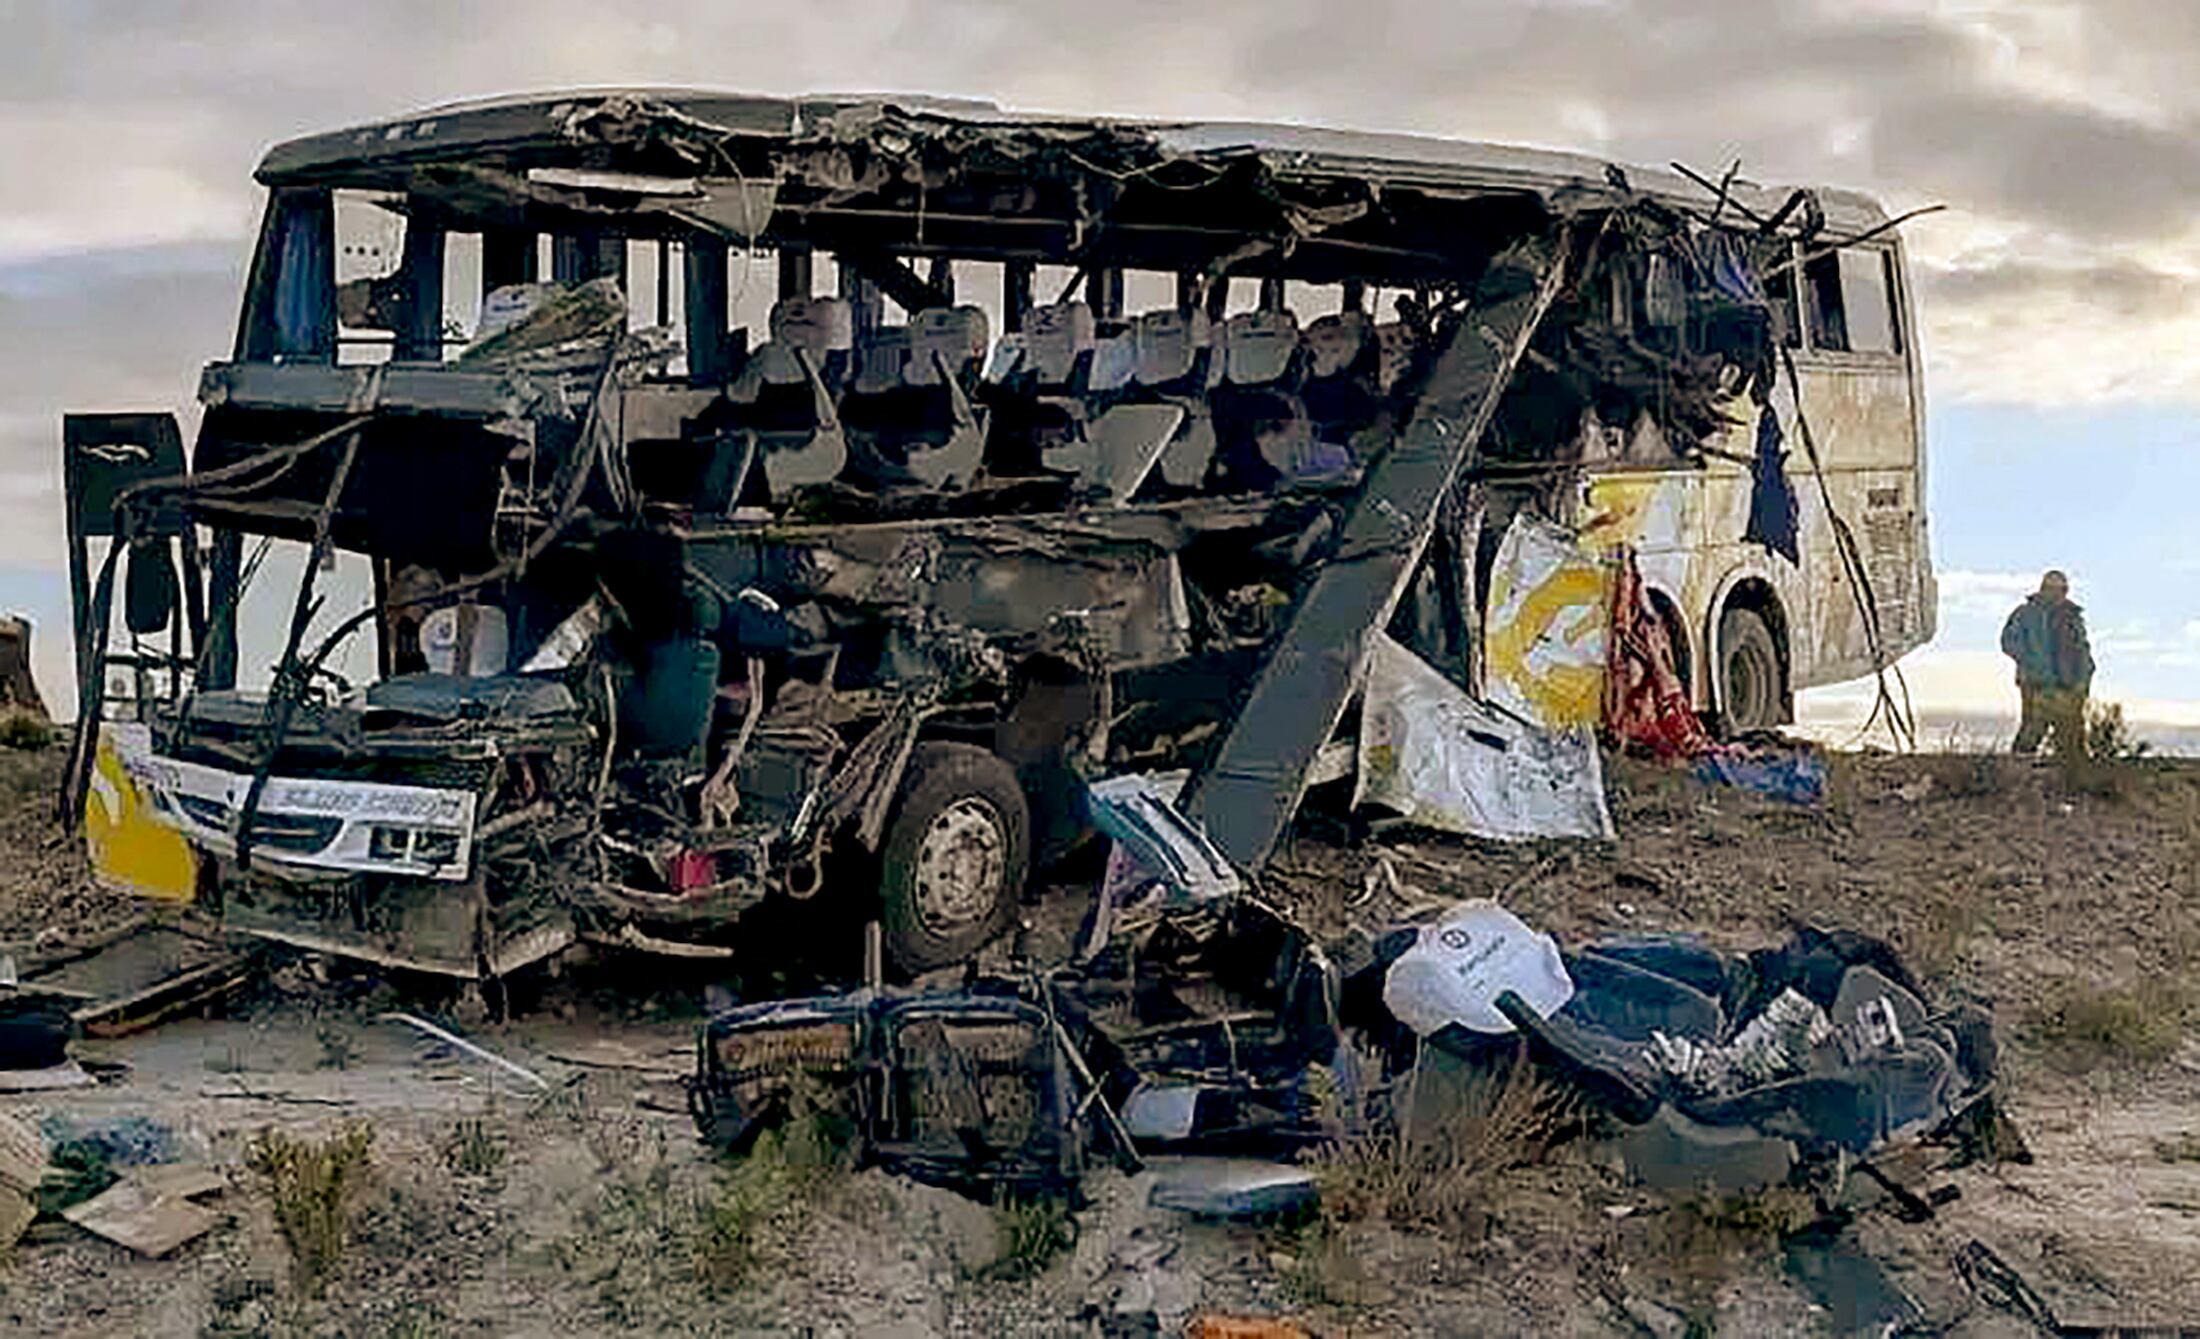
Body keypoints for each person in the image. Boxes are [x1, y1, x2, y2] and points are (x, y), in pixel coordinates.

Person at [2000, 570, 2094, 756]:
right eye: (2051, 588)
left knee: (2071, 738)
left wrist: (2084, 679)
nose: (2056, 593)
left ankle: (2072, 781)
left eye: (2061, 589)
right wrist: (2031, 662)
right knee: (2031, 732)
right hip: (2035, 682)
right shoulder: (2026, 614)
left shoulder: (2072, 617)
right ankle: (2016, 774)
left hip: (2068, 685)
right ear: (2043, 589)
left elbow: (2083, 650)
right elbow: (2008, 641)